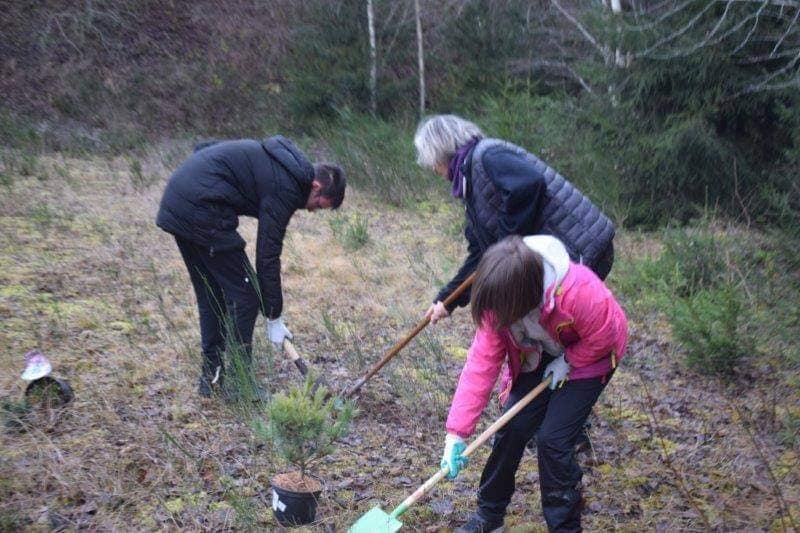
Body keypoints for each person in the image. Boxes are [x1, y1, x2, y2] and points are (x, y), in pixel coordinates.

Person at [440, 235, 627, 533]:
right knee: (511, 426)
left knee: (553, 440)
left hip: (592, 355)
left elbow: (606, 335)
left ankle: (565, 527)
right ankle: (489, 516)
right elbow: (481, 365)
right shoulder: (497, 298)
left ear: (522, 300)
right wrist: (456, 433)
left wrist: (569, 360)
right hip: (539, 353)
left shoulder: (580, 292)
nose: (495, 317)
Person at [156, 136, 345, 397]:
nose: (313, 211)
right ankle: (241, 385)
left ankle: (211, 379)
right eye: (319, 206)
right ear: (315, 186)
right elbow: (268, 254)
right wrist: (274, 314)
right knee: (246, 296)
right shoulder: (287, 187)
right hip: (201, 209)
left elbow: (204, 149)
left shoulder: (282, 165)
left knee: (212, 294)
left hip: (180, 203)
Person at [412, 114, 615, 324]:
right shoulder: (470, 183)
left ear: (440, 150)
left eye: (432, 162)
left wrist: (506, 246)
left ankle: (596, 351)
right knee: (549, 332)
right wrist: (446, 301)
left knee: (556, 330)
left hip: (581, 249)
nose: (434, 169)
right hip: (563, 259)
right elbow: (482, 255)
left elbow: (528, 185)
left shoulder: (487, 155)